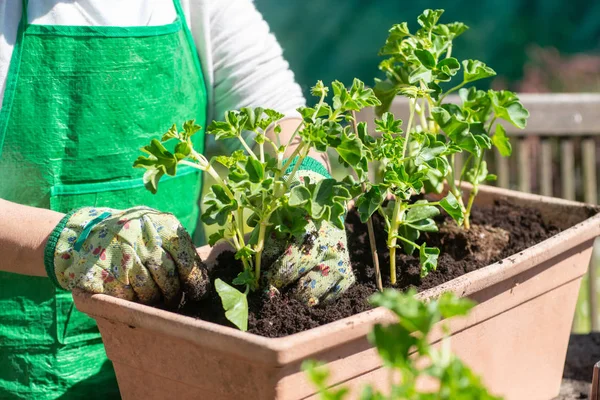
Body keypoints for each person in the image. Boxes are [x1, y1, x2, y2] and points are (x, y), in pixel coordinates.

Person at [0, 1, 355, 398]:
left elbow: (274, 110)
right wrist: (69, 241)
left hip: (181, 357)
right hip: (22, 366)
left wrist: (308, 180)